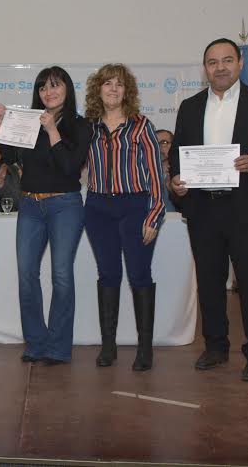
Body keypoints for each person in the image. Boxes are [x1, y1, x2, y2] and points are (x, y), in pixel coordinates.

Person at [170, 38, 248, 382]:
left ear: (239, 63)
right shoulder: (190, 107)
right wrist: (176, 180)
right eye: (212, 62)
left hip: (247, 209)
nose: (220, 67)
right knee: (209, 282)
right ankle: (215, 346)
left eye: (227, 60)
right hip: (203, 208)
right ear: (205, 68)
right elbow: (178, 153)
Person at [0, 66, 91, 365]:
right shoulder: (30, 120)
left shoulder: (80, 125)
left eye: (55, 85)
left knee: (61, 276)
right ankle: (35, 343)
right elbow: (10, 158)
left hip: (65, 205)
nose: (49, 92)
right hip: (30, 205)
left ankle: (58, 347)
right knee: (26, 275)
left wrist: (51, 130)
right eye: (43, 87)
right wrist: (0, 127)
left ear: (67, 89)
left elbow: (70, 167)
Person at [84, 64, 165, 371]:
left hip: (135, 207)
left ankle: (145, 349)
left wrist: (154, 216)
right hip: (97, 209)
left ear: (127, 91)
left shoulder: (141, 125)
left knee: (139, 275)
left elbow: (156, 175)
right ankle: (109, 346)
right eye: (108, 83)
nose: (113, 89)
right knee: (108, 275)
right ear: (98, 89)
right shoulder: (89, 127)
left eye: (119, 84)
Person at [155, 129, 178, 212]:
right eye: (154, 143)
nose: (158, 147)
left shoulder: (181, 173)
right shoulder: (144, 174)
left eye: (164, 142)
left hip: (177, 218)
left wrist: (173, 190)